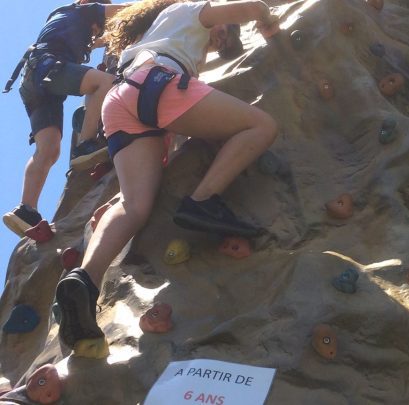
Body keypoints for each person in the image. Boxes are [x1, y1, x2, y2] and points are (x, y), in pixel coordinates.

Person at [54, 0, 279, 356]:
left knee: (134, 205)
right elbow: (252, 6)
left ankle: (84, 280)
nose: (221, 38)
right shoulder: (191, 9)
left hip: (122, 99)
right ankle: (203, 200)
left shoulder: (158, 33)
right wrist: (269, 23)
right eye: (223, 32)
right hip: (157, 84)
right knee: (261, 125)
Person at [2, 0, 126, 237]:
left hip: (34, 81)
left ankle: (25, 210)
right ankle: (85, 144)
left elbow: (105, 36)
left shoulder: (71, 23)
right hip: (47, 67)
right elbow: (127, 11)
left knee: (48, 150)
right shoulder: (86, 9)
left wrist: (111, 37)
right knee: (105, 82)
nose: (97, 30)